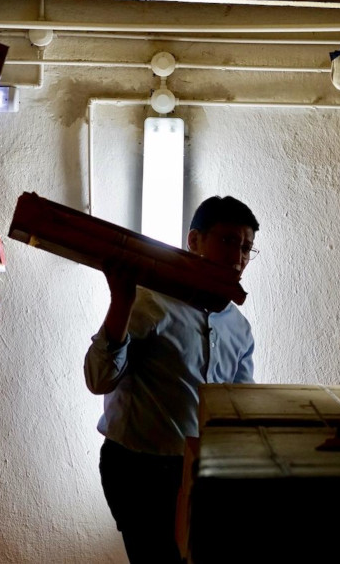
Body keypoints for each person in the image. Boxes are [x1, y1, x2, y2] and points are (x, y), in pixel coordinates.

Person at [84, 195, 259, 564]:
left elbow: (238, 407)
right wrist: (120, 302)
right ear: (194, 240)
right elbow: (98, 379)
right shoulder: (149, 303)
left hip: (201, 471)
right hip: (138, 470)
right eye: (228, 241)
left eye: (246, 247)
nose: (238, 257)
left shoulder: (240, 329)